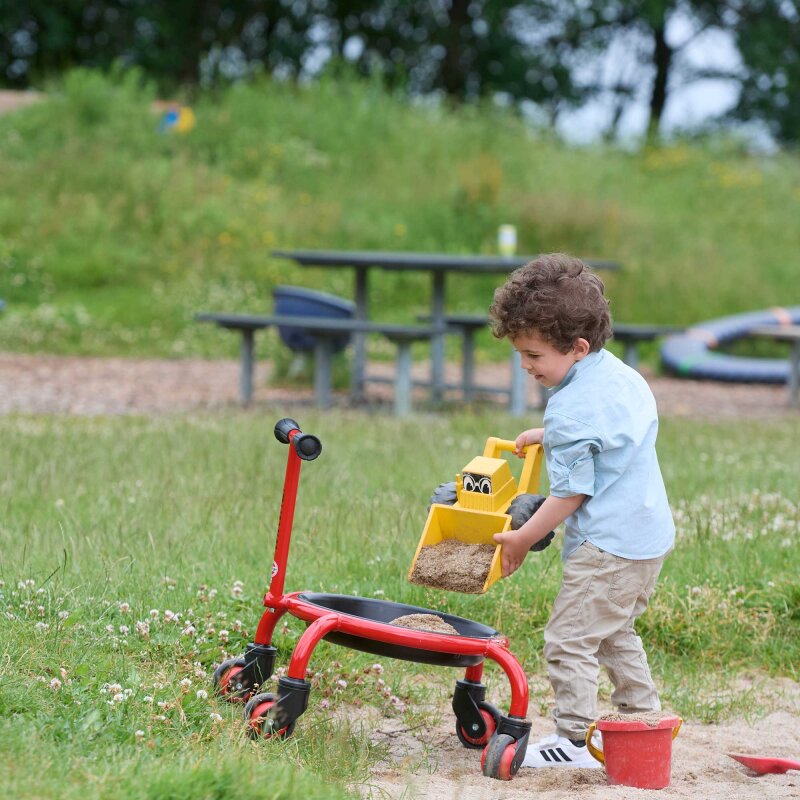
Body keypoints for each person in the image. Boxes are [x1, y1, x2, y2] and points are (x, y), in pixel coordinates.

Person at [488, 253, 675, 769]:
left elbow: (571, 494)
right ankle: (642, 721)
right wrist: (552, 436)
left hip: (607, 546)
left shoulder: (570, 408)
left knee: (569, 638)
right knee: (613, 632)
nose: (525, 366)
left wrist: (523, 537)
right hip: (648, 538)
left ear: (578, 347)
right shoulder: (622, 377)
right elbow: (610, 436)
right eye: (520, 353)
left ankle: (573, 741)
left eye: (533, 354)